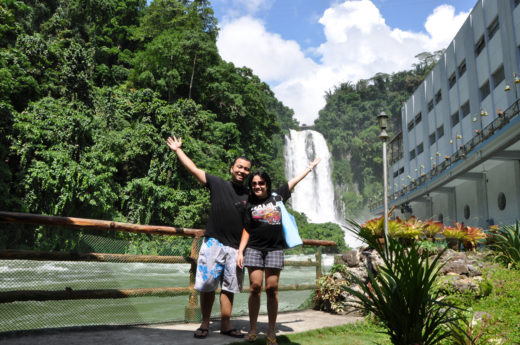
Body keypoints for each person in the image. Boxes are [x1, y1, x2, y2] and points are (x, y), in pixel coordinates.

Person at [166, 135, 251, 339]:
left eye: (246, 169)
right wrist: (178, 150)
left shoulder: (250, 195)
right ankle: (205, 324)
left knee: (229, 288)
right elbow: (194, 169)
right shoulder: (217, 183)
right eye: (239, 167)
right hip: (213, 242)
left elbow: (251, 224)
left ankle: (225, 325)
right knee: (207, 286)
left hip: (235, 248)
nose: (242, 171)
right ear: (232, 168)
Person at [236, 158, 321, 345]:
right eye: (255, 184)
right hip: (254, 249)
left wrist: (309, 168)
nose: (258, 186)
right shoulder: (248, 204)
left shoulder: (277, 197)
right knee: (254, 288)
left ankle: (272, 331)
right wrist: (240, 251)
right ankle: (252, 329)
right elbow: (247, 229)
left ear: (267, 184)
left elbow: (293, 181)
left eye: (261, 183)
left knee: (272, 289)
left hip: (274, 249)